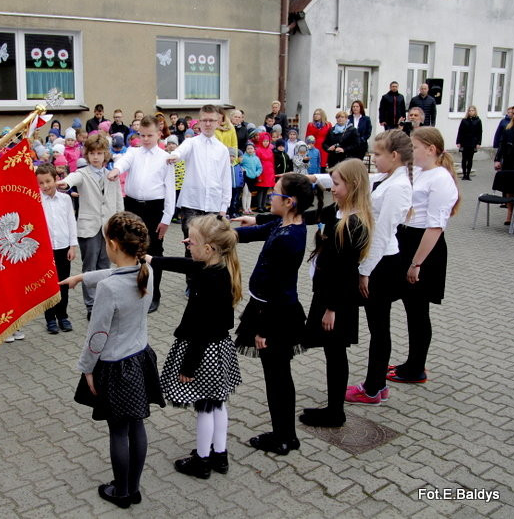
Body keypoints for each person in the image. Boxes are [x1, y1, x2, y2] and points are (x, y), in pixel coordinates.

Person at [62, 212, 164, 509]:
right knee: (137, 425)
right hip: (140, 358)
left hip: (115, 366)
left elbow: (97, 336)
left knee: (118, 430)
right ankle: (133, 488)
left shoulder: (109, 289)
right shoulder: (146, 269)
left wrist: (86, 369)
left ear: (113, 244)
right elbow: (114, 274)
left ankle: (120, 492)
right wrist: (82, 277)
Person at [307, 129, 412, 406]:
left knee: (379, 327)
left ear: (394, 155)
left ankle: (374, 387)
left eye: (377, 154)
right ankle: (376, 383)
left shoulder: (399, 187)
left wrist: (364, 272)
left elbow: (384, 233)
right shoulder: (389, 178)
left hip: (381, 263)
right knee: (376, 325)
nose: (373, 159)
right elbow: (360, 179)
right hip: (373, 262)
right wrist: (315, 178)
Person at [149, 214, 242, 478]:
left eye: (193, 242)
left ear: (209, 249)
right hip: (218, 349)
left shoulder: (210, 279)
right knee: (218, 403)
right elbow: (185, 264)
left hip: (203, 351)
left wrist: (189, 364)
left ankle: (202, 461)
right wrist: (153, 260)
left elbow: (203, 328)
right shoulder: (216, 267)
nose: (187, 244)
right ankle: (219, 454)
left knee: (204, 407)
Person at [233, 173, 319, 454]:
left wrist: (264, 330)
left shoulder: (289, 238)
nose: (270, 195)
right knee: (277, 374)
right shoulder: (286, 223)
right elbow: (256, 231)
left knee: (278, 376)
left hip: (274, 316)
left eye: (275, 193)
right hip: (268, 309)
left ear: (290, 201)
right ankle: (284, 432)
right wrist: (226, 235)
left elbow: (279, 289)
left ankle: (283, 437)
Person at [300, 159, 373, 427]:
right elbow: (306, 217)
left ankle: (335, 412)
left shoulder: (354, 223)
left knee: (336, 351)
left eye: (337, 183)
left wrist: (331, 308)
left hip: (337, 298)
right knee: (332, 352)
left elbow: (344, 270)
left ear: (352, 185)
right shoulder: (338, 211)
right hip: (327, 292)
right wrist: (261, 219)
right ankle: (333, 407)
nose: (333, 188)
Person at [389, 127, 460, 384]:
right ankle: (411, 361)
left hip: (424, 248)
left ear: (431, 149)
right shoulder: (418, 171)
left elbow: (435, 226)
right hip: (407, 241)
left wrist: (416, 263)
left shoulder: (440, 178)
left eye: (415, 147)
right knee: (412, 309)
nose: (410, 151)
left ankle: (416, 368)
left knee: (419, 311)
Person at [108, 116, 175, 313]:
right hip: (132, 206)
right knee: (130, 249)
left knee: (153, 252)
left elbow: (170, 190)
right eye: (142, 135)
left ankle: (154, 294)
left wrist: (166, 219)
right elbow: (123, 162)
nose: (145, 139)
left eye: (149, 135)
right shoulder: (133, 152)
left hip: (155, 208)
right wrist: (116, 171)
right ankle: (134, 291)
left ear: (158, 134)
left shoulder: (165, 158)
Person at [59, 134, 124, 319]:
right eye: (92, 153)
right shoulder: (82, 173)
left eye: (99, 153)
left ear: (106, 155)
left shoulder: (112, 175)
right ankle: (91, 306)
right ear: (87, 155)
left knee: (105, 265)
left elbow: (118, 201)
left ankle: (104, 302)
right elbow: (72, 179)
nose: (96, 157)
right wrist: (65, 183)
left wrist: (120, 224)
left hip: (109, 228)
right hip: (89, 228)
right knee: (90, 267)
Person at [167, 105, 231, 290]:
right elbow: (180, 151)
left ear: (218, 122)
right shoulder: (191, 143)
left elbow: (225, 179)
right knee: (192, 245)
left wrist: (224, 206)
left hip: (213, 204)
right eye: (205, 120)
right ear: (199, 122)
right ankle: (192, 282)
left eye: (212, 120)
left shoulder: (222, 149)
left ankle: (208, 279)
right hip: (191, 203)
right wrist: (174, 155)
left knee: (211, 245)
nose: (208, 124)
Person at [36, 164, 78, 334]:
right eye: (41, 183)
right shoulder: (37, 201)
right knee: (48, 285)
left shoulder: (66, 199)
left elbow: (71, 222)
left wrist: (73, 246)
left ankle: (63, 316)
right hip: (45, 251)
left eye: (48, 181)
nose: (45, 186)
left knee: (63, 284)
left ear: (56, 180)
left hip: (63, 247)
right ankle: (50, 319)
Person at [494, 103, 514, 224]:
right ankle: (509, 214)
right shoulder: (508, 128)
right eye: (513, 113)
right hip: (509, 162)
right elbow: (502, 145)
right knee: (509, 189)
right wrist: (497, 159)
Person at [456, 105, 482, 181]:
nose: (471, 112)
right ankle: (464, 174)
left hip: (473, 142)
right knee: (464, 158)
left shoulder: (478, 121)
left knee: (470, 159)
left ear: (475, 111)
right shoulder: (464, 120)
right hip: (464, 141)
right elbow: (460, 131)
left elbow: (479, 132)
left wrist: (478, 143)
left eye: (472, 110)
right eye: (469, 110)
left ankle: (468, 174)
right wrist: (458, 141)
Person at [254, 133, 276, 212]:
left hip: (269, 173)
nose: (266, 143)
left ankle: (263, 205)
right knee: (261, 190)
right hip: (262, 172)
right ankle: (259, 206)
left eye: (267, 141)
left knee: (266, 189)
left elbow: (272, 162)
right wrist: (259, 175)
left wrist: (273, 174)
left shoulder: (270, 150)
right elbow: (257, 163)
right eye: (264, 141)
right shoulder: (258, 150)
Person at [240, 141, 262, 214]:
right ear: (246, 150)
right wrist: (243, 169)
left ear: (254, 149)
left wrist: (256, 174)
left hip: (253, 178)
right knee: (245, 193)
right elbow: (239, 164)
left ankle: (249, 208)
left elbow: (259, 168)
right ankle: (244, 208)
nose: (250, 150)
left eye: (251, 148)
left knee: (250, 194)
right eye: (248, 148)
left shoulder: (256, 158)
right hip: (245, 177)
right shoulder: (243, 157)